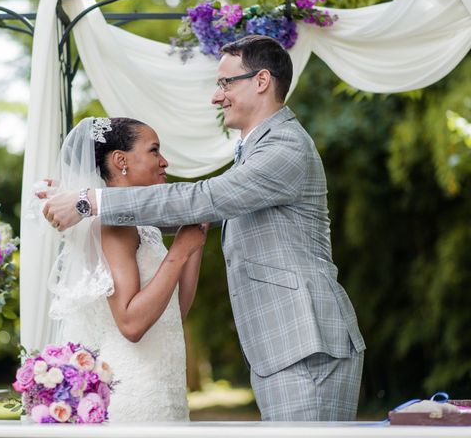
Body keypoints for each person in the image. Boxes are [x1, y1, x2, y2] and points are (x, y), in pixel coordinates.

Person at [40, 35, 366, 421]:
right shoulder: (257, 148)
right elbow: (195, 211)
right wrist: (81, 198)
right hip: (287, 346)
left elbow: (205, 198)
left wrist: (89, 201)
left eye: (226, 83)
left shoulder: (284, 147)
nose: (217, 96)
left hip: (305, 342)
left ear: (261, 81)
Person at [42, 117, 207, 422]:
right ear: (121, 161)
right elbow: (131, 324)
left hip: (165, 385)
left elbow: (173, 312)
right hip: (134, 391)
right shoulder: (114, 227)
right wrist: (179, 252)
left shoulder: (142, 226)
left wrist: (193, 244)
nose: (164, 161)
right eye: (154, 150)